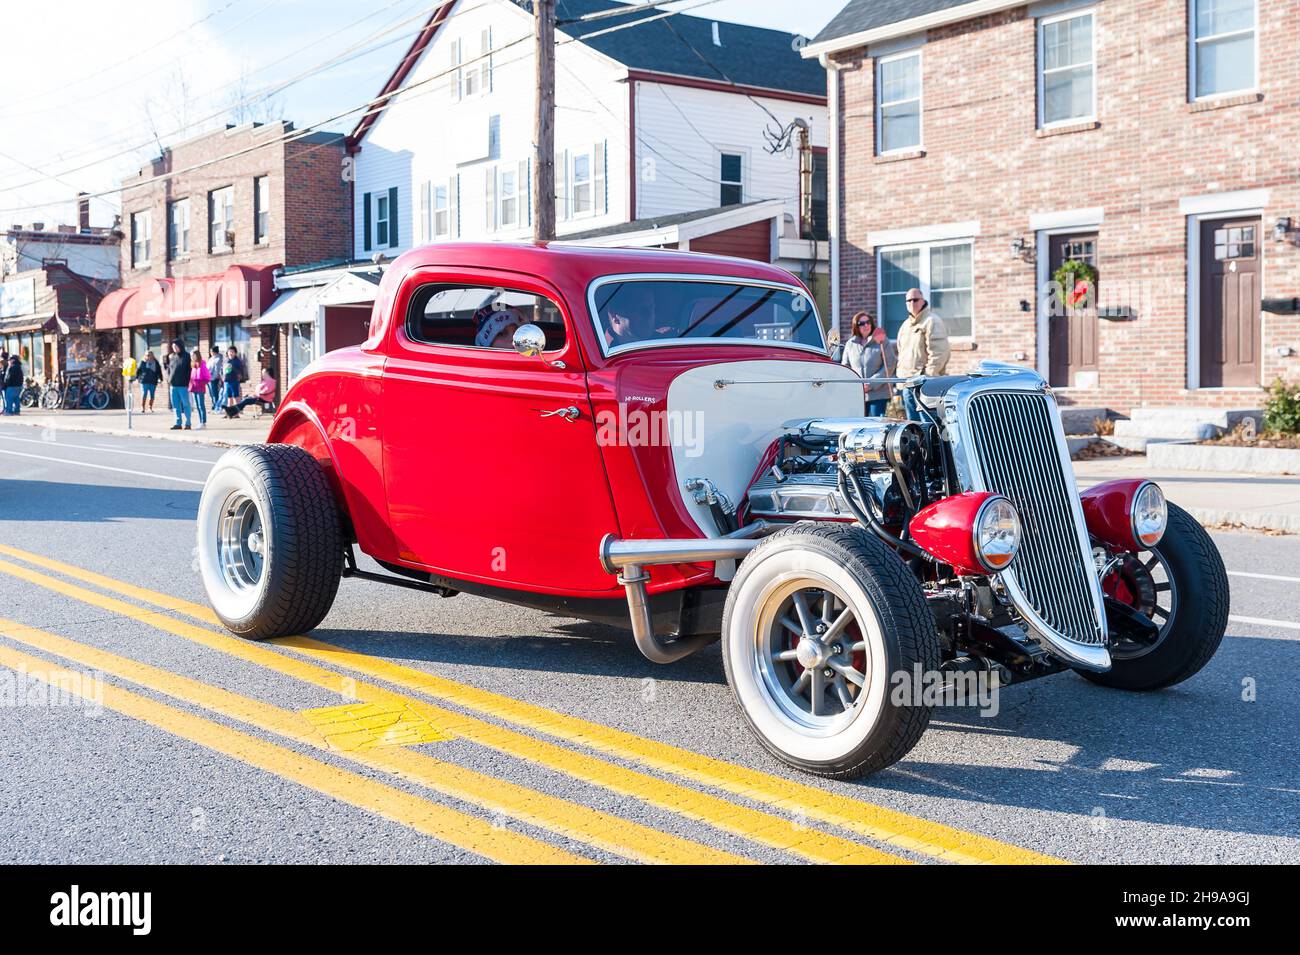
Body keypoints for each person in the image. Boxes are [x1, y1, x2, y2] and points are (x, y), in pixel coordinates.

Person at [895, 288, 951, 420]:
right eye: (908, 300)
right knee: (913, 427)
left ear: (923, 301)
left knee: (928, 425)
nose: (912, 303)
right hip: (906, 383)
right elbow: (901, 352)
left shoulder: (932, 321)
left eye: (915, 300)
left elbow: (939, 353)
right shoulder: (905, 325)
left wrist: (928, 378)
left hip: (923, 385)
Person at [841, 311, 896, 417]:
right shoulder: (850, 344)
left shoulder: (882, 341)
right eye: (861, 323)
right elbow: (845, 367)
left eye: (868, 322)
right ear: (855, 326)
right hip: (857, 396)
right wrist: (858, 385)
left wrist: (871, 384)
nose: (866, 325)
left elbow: (890, 364)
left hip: (879, 395)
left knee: (878, 427)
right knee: (858, 427)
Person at [166, 339, 192, 430]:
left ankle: (188, 423)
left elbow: (190, 370)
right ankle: (178, 423)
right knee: (175, 405)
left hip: (183, 385)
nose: (174, 349)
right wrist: (168, 379)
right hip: (173, 385)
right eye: (173, 347)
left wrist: (189, 382)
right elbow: (170, 369)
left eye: (176, 347)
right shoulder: (172, 357)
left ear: (180, 346)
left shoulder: (187, 356)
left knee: (186, 404)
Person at [188, 348, 210, 429]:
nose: (192, 357)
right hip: (194, 388)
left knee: (201, 405)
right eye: (191, 356)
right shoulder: (193, 365)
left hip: (200, 388)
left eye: (193, 355)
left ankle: (203, 422)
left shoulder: (202, 364)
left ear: (197, 355)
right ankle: (200, 421)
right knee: (197, 406)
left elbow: (207, 377)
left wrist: (200, 383)